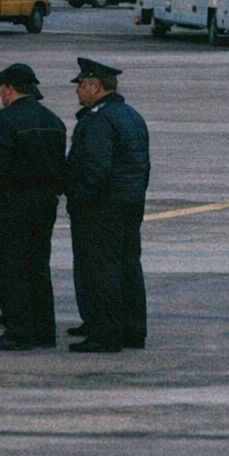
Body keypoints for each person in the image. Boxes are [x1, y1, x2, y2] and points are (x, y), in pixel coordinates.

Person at [0, 63, 67, 351]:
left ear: (8, 88)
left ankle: (19, 331)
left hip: (13, 203)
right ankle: (44, 331)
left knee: (10, 269)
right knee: (38, 267)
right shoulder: (53, 121)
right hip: (45, 203)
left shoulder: (4, 120)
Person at [66, 58, 150, 353]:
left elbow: (95, 168)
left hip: (102, 207)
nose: (77, 91)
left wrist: (79, 197)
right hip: (129, 203)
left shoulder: (99, 120)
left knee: (101, 270)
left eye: (81, 85)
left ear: (95, 86)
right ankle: (133, 330)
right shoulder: (131, 116)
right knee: (128, 266)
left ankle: (105, 333)